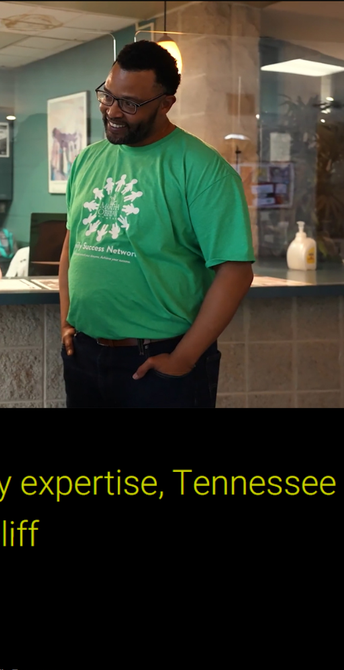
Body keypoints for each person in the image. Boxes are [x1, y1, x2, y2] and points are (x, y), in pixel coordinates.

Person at [59, 40, 255, 408]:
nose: (113, 111)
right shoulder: (88, 159)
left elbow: (235, 271)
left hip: (159, 362)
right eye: (107, 96)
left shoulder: (201, 168)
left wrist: (183, 359)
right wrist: (66, 322)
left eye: (130, 103)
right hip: (84, 356)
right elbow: (73, 245)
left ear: (166, 103)